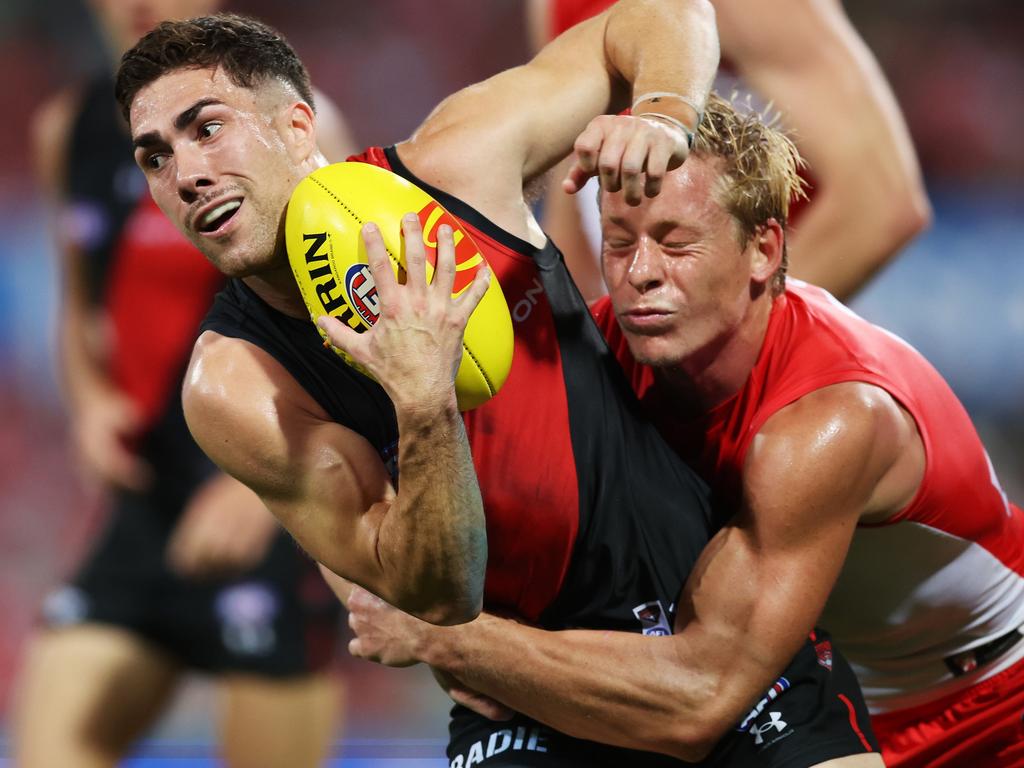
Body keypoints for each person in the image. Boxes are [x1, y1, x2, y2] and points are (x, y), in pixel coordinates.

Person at [112, 6, 883, 767]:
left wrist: (663, 110)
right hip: (530, 700)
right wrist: (422, 402)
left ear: (298, 127)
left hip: (712, 623)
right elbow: (433, 602)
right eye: (155, 158)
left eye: (206, 128)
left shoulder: (458, 165)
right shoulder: (239, 384)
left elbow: (660, 13)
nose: (186, 175)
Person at [346, 93, 1024, 768]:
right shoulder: (611, 351)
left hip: (996, 701)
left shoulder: (826, 421)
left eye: (676, 243)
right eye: (619, 242)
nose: (640, 274)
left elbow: (702, 697)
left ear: (762, 249)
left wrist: (446, 637)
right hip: (828, 688)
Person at [12, 2, 355, 765]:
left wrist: (267, 485)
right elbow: (80, 306)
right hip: (148, 503)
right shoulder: (66, 130)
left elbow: (350, 323)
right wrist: (90, 401)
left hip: (276, 511)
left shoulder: (297, 121)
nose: (138, 5)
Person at [527, 0, 931, 303]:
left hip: (740, 373)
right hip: (643, 353)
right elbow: (574, 197)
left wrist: (721, 351)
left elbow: (881, 206)